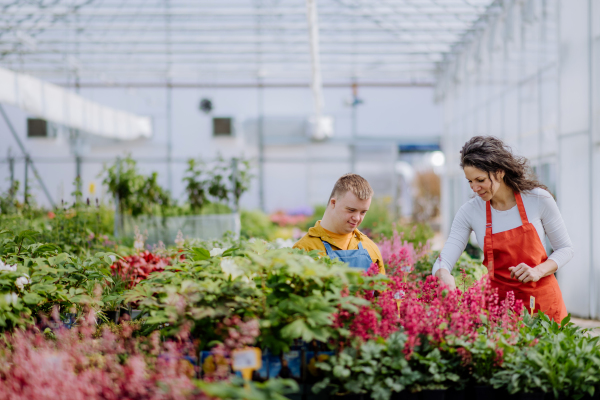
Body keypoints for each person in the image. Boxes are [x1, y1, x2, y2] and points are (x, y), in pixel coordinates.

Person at [433, 136, 573, 322]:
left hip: (543, 306)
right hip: (500, 310)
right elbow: (445, 258)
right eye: (469, 181)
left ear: (499, 172)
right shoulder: (470, 211)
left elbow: (565, 249)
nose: (474, 188)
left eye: (480, 180)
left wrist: (538, 271)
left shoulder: (538, 199)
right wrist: (443, 274)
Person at [294, 173, 385, 274]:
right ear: (333, 203)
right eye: (351, 210)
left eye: (363, 212)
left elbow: (381, 288)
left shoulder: (370, 247)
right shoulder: (304, 249)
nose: (357, 218)